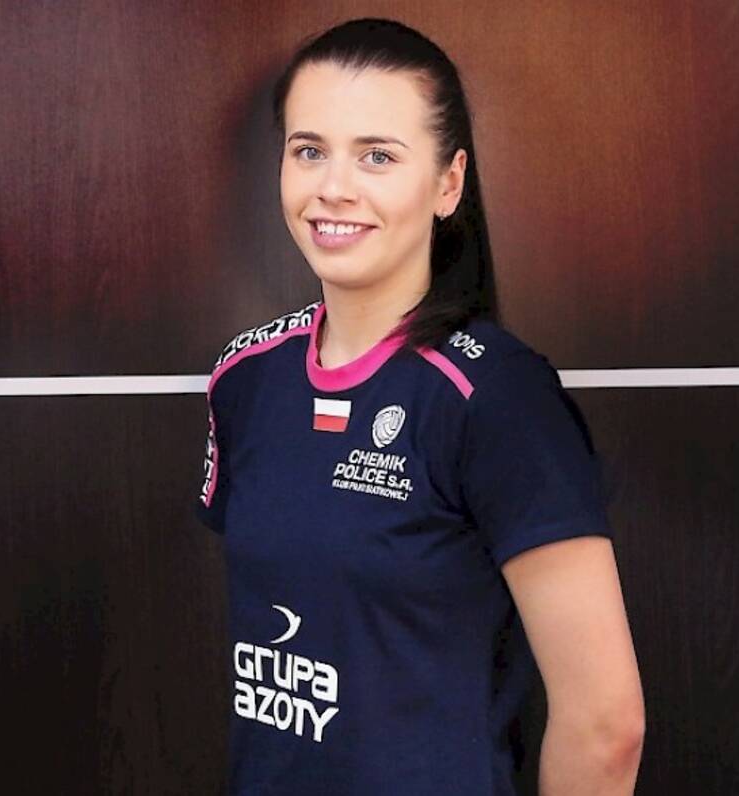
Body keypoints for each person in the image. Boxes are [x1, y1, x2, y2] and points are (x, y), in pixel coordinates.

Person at [193, 17, 644, 795]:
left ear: (447, 183)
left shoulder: (498, 398)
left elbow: (606, 725)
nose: (334, 187)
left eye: (377, 155)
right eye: (309, 151)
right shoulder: (246, 377)